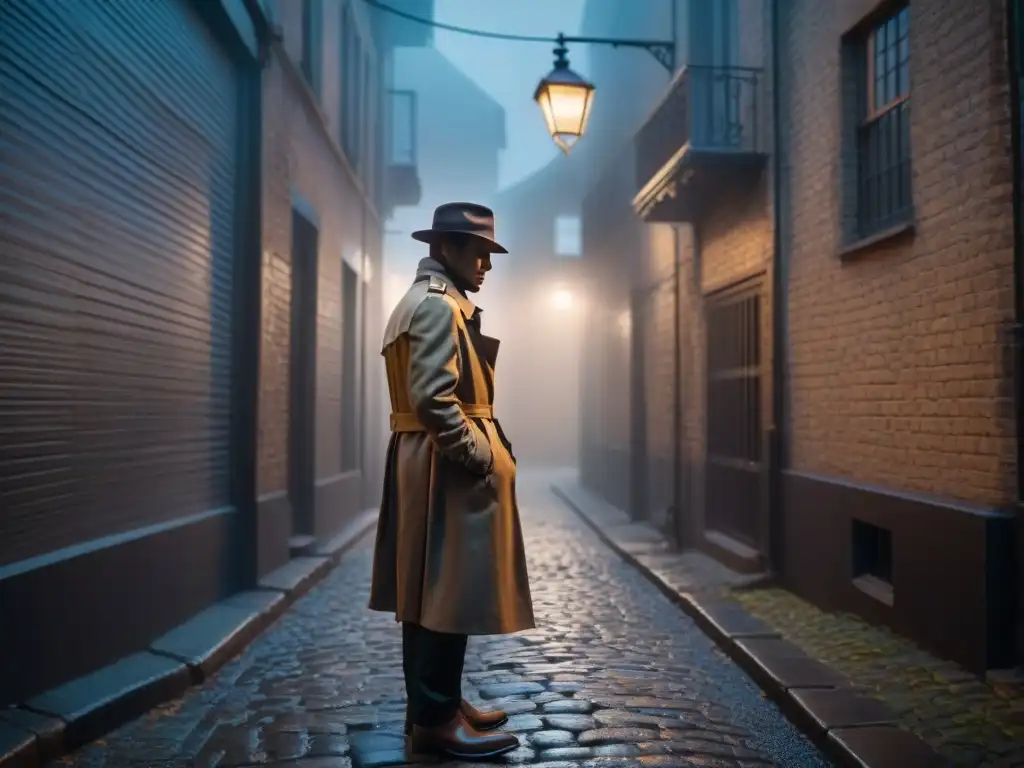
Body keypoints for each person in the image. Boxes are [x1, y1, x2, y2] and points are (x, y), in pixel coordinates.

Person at [369, 202, 535, 761]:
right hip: (444, 468)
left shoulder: (424, 302)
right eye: (478, 252)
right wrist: (481, 457)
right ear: (445, 249)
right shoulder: (439, 308)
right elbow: (435, 402)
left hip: (427, 462)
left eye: (488, 253)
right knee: (443, 590)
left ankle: (435, 705)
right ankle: (436, 717)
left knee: (432, 591)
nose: (486, 264)